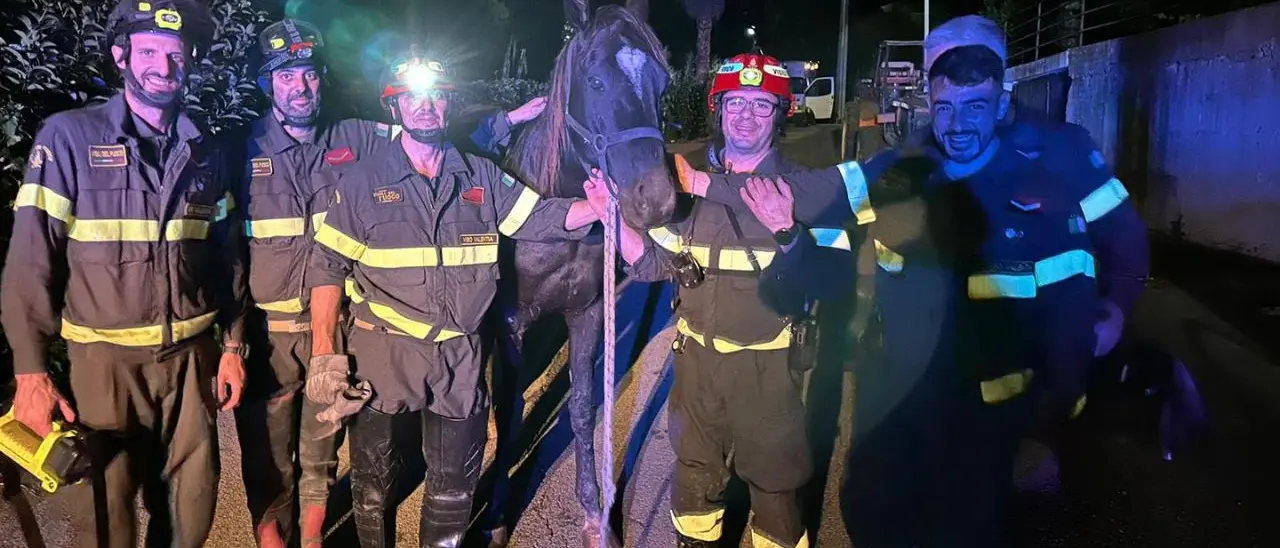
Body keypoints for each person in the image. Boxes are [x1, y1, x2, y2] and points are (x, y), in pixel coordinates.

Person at [678, 15, 1150, 545]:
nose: (959, 112)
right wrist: (697, 182)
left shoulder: (1061, 154)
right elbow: (811, 194)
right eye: (943, 89)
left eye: (977, 88)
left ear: (1001, 87)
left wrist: (1116, 306)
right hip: (902, 395)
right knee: (875, 514)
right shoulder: (901, 164)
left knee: (975, 523)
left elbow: (1125, 245)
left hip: (1000, 407)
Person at [302, 49, 604, 548]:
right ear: (393, 109)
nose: (426, 107)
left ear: (448, 105)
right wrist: (323, 352)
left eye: (437, 97)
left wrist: (592, 207)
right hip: (385, 353)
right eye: (412, 98)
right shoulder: (361, 183)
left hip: (460, 359)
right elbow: (326, 266)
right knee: (375, 486)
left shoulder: (481, 178)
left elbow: (541, 216)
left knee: (452, 491)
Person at [0, 1, 249, 546]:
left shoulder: (205, 151)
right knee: (104, 511)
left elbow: (227, 258)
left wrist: (232, 346)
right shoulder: (68, 138)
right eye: (151, 52)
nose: (165, 66)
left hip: (190, 361)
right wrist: (30, 373)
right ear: (122, 56)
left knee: (192, 506)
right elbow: (30, 260)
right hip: (103, 367)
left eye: (177, 54)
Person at [589, 53, 850, 548]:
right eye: (735, 104)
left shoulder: (810, 192)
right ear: (719, 109)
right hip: (695, 368)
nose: (745, 116)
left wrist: (789, 233)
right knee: (693, 480)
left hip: (768, 370)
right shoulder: (682, 188)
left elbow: (834, 283)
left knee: (775, 487)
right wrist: (615, 224)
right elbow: (655, 264)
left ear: (780, 113)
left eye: (760, 105)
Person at [229, 18, 406, 548]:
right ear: (268, 85)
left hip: (336, 330)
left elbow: (428, 136)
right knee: (266, 453)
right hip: (269, 337)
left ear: (320, 79)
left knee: (322, 446)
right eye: (285, 77)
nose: (299, 88)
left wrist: (507, 120)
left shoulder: (353, 137)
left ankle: (310, 537)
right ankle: (270, 538)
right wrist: (231, 343)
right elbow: (227, 258)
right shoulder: (239, 152)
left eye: (307, 75)